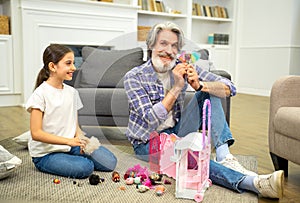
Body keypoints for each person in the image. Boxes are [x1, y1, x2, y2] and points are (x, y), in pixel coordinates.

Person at [124, 22, 284, 198]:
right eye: (163, 44)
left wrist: (201, 85)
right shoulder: (134, 77)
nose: (169, 51)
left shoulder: (181, 65)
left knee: (208, 91)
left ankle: (224, 156)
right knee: (191, 155)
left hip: (176, 130)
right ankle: (252, 183)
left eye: (174, 46)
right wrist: (177, 87)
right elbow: (150, 120)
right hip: (148, 142)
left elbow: (229, 87)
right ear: (151, 45)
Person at [25, 44, 117, 179]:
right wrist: (68, 141)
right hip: (46, 154)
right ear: (52, 66)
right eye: (68, 63)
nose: (74, 68)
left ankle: (71, 158)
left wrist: (80, 139)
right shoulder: (40, 94)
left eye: (73, 63)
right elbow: (36, 133)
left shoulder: (72, 92)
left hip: (70, 146)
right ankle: (69, 161)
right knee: (85, 168)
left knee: (110, 162)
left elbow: (74, 124)